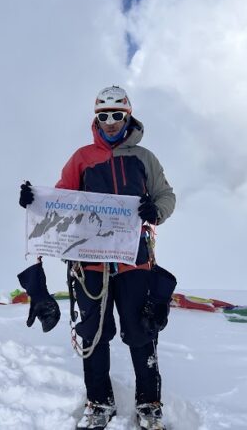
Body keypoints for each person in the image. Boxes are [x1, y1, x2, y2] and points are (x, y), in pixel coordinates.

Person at [17, 86, 176, 430]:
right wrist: (35, 201)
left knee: (141, 332)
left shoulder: (144, 158)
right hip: (89, 264)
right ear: (96, 119)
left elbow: (166, 195)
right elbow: (61, 199)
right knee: (94, 333)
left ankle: (149, 403)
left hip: (134, 261)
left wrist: (156, 210)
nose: (110, 122)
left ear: (128, 115)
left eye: (116, 115)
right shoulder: (82, 158)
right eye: (103, 116)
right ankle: (99, 402)